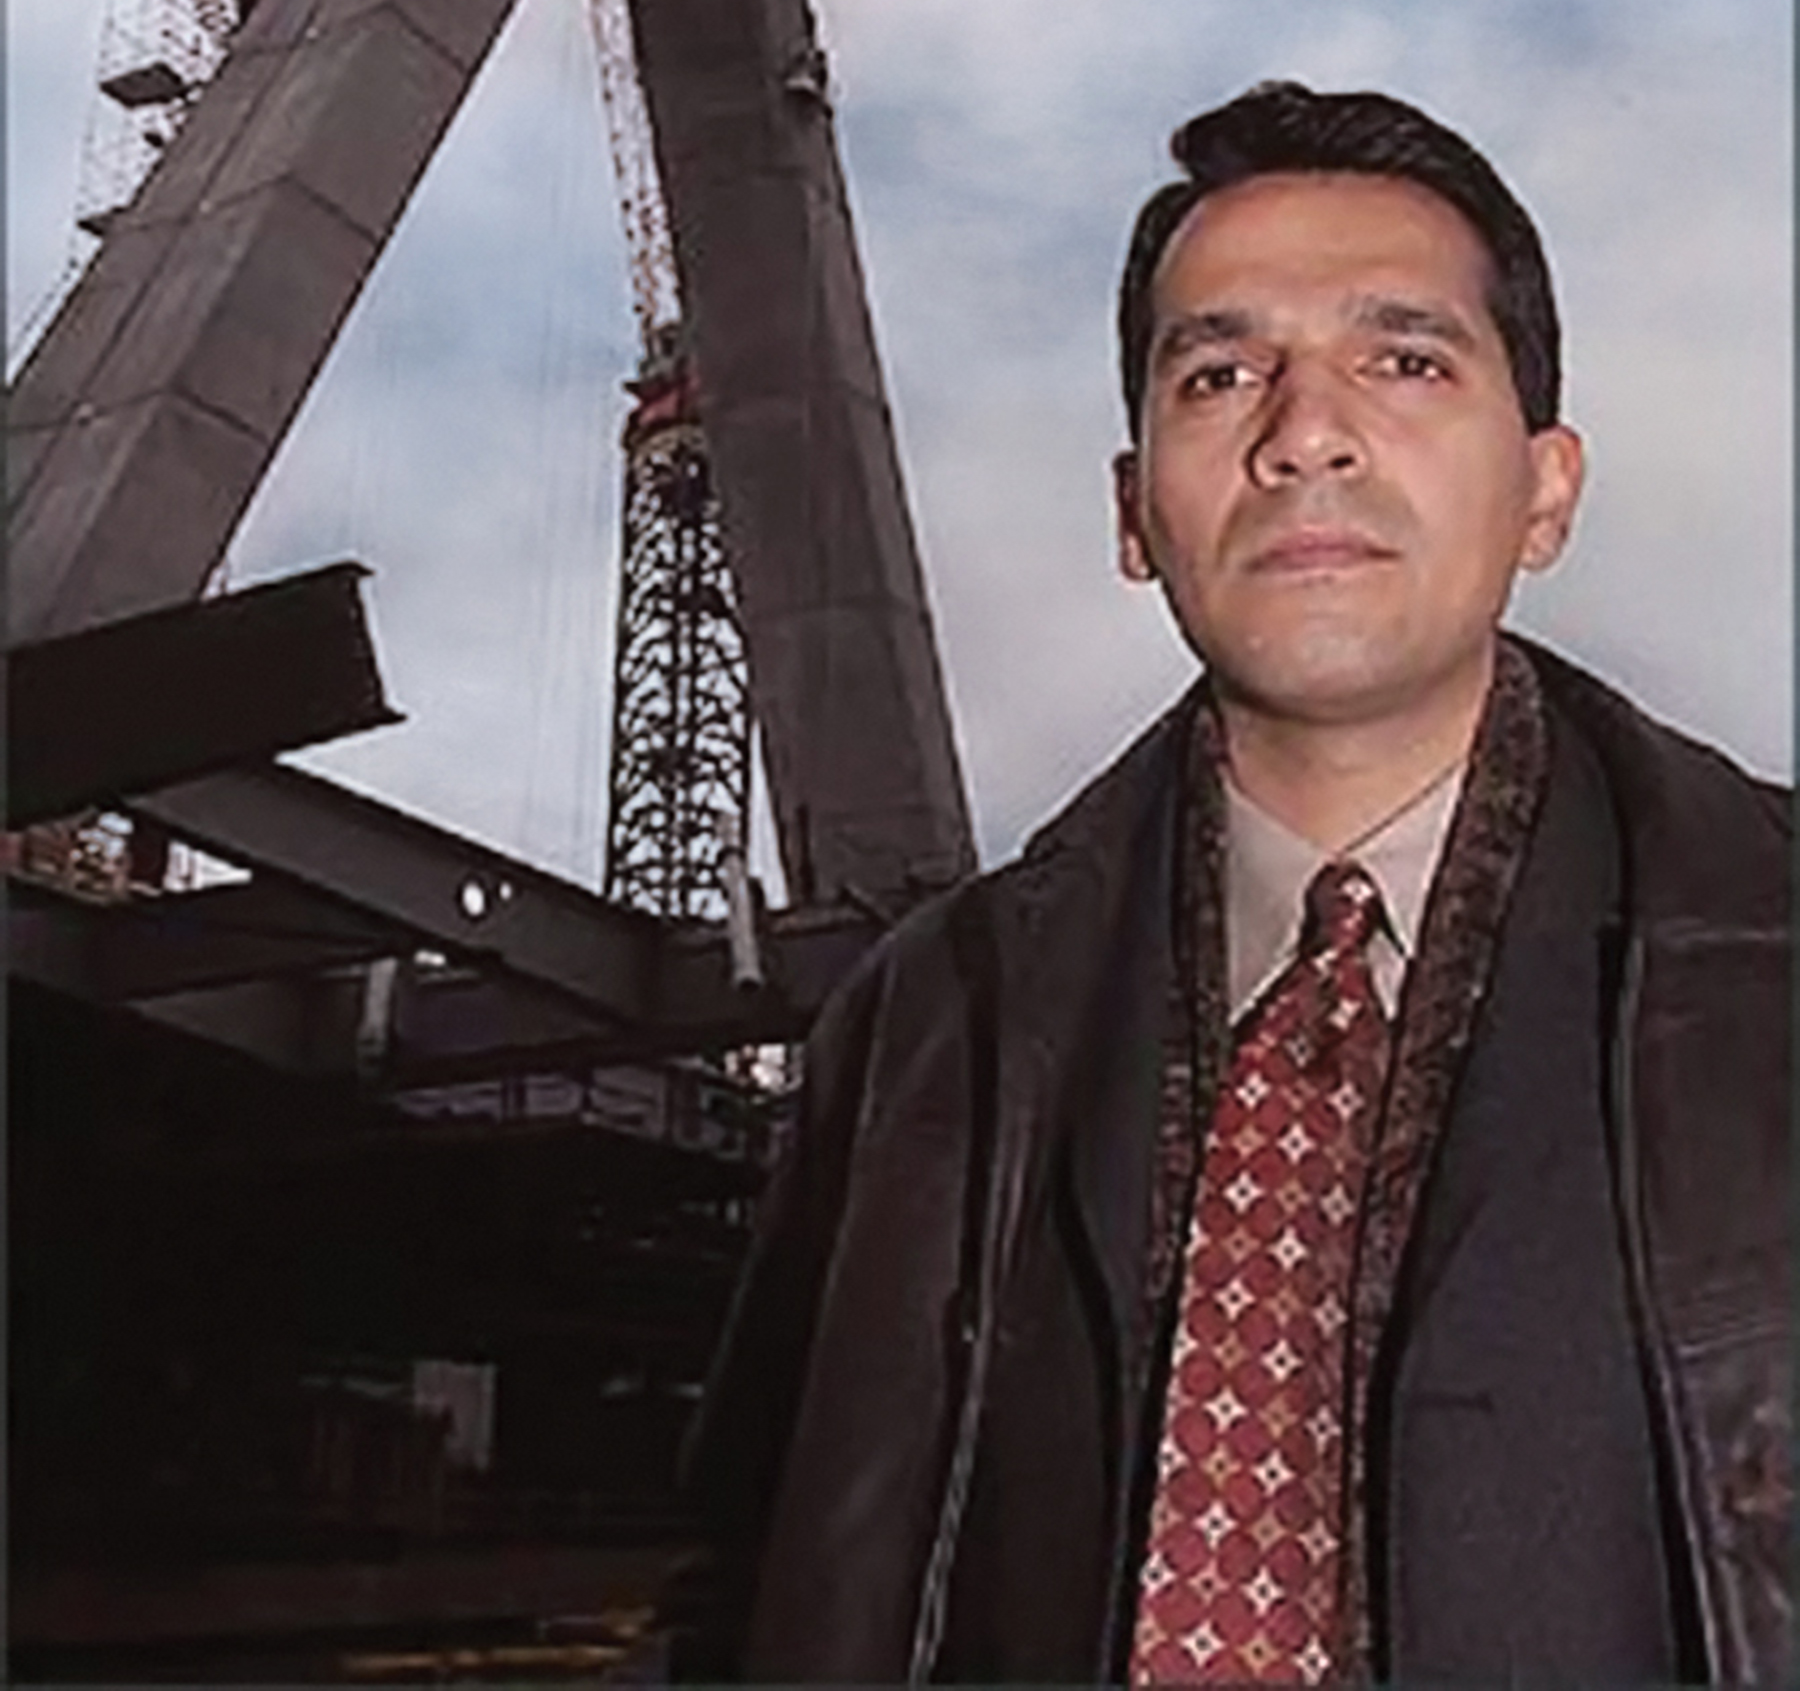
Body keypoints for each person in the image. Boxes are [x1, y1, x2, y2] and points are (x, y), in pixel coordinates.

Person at [676, 82, 1791, 1685]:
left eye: (1404, 359)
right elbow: (744, 1586)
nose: (1304, 432)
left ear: (1546, 491)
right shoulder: (920, 1030)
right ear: (1137, 512)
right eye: (1220, 373)